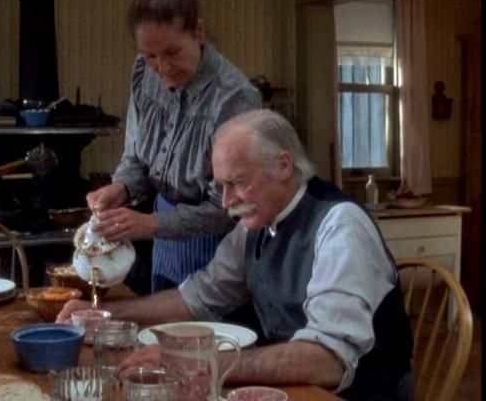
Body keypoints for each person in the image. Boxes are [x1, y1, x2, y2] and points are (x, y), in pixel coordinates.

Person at [59, 109, 414, 400]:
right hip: (290, 389)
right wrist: (104, 315)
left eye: (238, 182)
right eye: (222, 186)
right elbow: (199, 296)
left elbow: (328, 360)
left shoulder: (339, 227)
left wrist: (200, 362)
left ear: (284, 166)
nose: (227, 202)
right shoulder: (255, 223)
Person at [86, 0, 261, 292]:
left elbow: (230, 208)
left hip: (219, 250)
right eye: (150, 55)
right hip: (165, 247)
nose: (162, 67)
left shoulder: (234, 98)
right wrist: (121, 188)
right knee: (161, 318)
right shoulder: (145, 74)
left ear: (199, 32)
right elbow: (136, 157)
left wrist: (150, 224)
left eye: (172, 53)